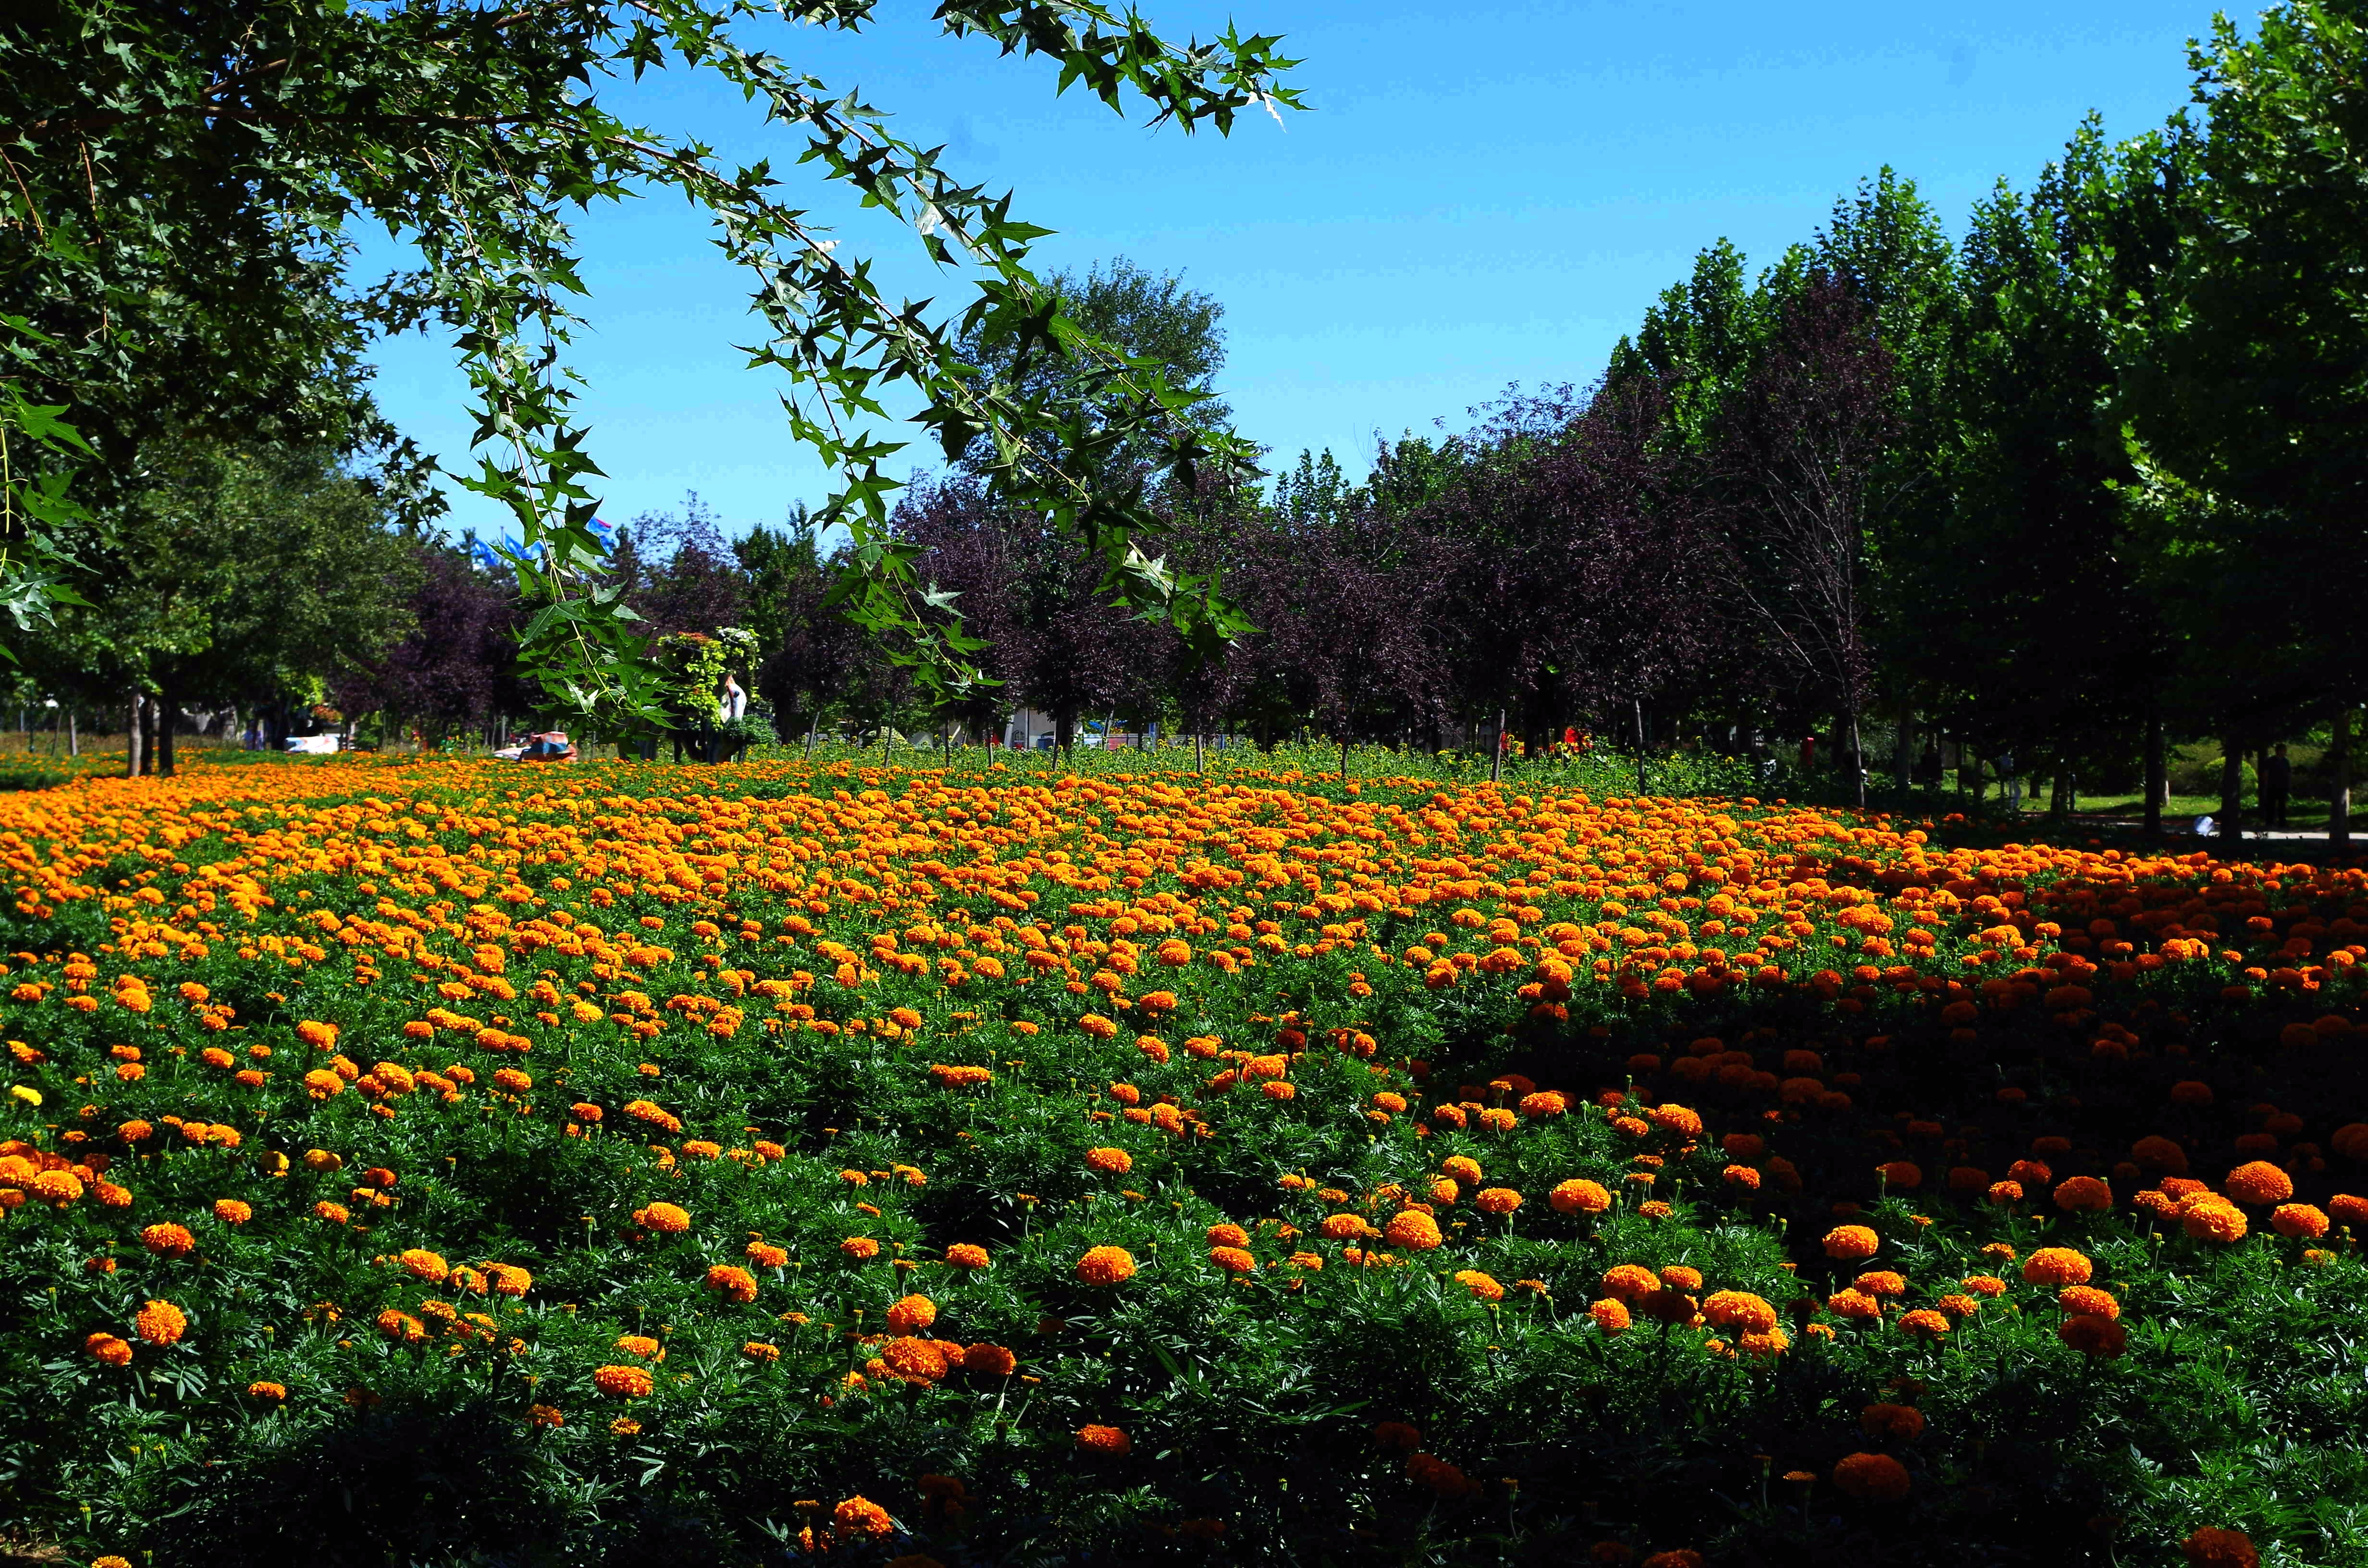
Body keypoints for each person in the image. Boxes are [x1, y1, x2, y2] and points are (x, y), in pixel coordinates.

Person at [2262, 743, 2292, 829]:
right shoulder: (2271, 760)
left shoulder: (2286, 761)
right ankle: (2270, 822)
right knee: (2271, 804)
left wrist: (2289, 784)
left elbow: (2289, 773)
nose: (2283, 752)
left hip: (2283, 786)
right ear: (2277, 751)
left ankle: (2282, 822)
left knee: (2282, 805)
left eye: (2284, 750)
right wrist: (2266, 783)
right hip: (2272, 785)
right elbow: (2266, 773)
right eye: (2282, 750)